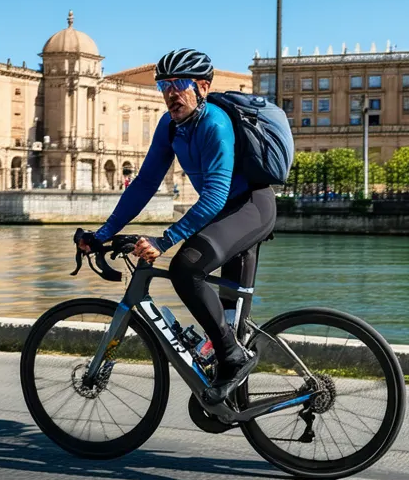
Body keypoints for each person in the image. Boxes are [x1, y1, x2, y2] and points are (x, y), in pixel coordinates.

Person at [78, 48, 276, 405]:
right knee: (228, 317)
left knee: (187, 268)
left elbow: (215, 196)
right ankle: (229, 395)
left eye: (179, 84)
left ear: (202, 86)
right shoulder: (170, 128)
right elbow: (144, 184)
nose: (171, 93)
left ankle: (233, 358)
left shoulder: (215, 123)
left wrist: (165, 239)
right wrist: (102, 233)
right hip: (224, 214)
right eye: (163, 85)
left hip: (250, 209)